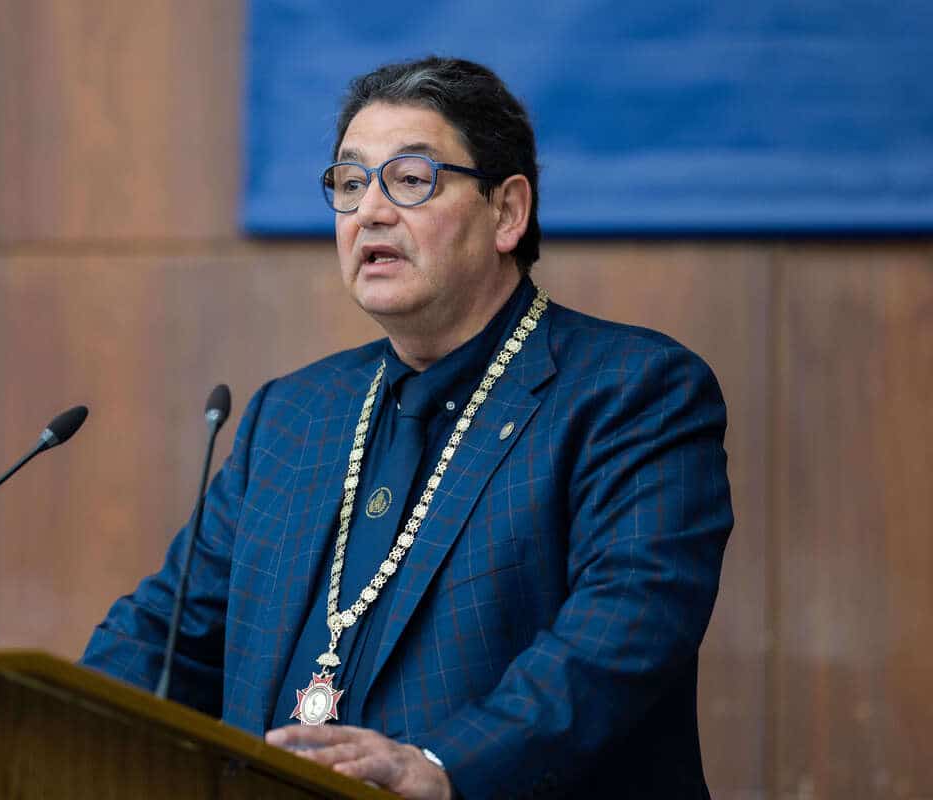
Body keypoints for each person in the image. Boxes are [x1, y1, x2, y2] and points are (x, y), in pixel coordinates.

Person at [82, 56, 733, 799]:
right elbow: (165, 636)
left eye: (411, 179)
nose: (370, 212)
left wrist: (441, 766)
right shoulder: (292, 416)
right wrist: (41, 723)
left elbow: (622, 635)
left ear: (507, 212)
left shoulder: (629, 391)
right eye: (350, 183)